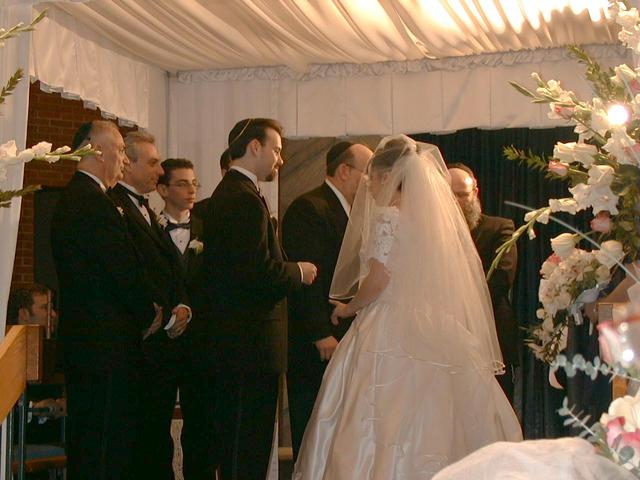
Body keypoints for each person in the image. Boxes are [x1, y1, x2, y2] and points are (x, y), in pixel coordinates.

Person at [293, 135, 522, 479]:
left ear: (388, 177)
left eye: (372, 179)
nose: (369, 187)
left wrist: (349, 308)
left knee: (378, 411)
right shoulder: (432, 222)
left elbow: (378, 280)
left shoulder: (389, 218)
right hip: (432, 322)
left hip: (388, 323)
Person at [191, 117, 318, 479]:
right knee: (245, 447)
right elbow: (254, 274)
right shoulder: (240, 198)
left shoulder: (241, 193)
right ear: (255, 147)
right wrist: (297, 271)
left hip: (246, 349)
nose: (281, 159)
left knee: (250, 446)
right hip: (247, 349)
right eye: (276, 150)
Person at [51, 120, 162, 480]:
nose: (124, 160)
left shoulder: (82, 198)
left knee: (96, 443)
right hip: (104, 347)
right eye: (120, 150)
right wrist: (148, 312)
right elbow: (122, 269)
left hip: (93, 346)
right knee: (103, 448)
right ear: (96, 150)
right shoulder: (91, 202)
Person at [109, 132, 192, 479]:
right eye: (154, 163)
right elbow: (128, 270)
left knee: (157, 438)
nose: (159, 171)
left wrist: (182, 305)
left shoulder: (144, 208)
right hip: (139, 344)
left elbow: (168, 268)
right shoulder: (114, 205)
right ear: (128, 163)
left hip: (161, 348)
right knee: (142, 440)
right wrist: (158, 315)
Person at [282, 141, 372, 459]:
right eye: (367, 172)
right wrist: (320, 332)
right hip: (317, 341)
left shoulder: (356, 212)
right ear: (344, 171)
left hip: (345, 335)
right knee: (314, 424)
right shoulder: (309, 208)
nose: (371, 181)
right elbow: (309, 277)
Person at [156, 157, 212, 478]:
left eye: (194, 183)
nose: (191, 190)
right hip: (162, 341)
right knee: (156, 423)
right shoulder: (151, 227)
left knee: (200, 428)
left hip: (201, 341)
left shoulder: (208, 228)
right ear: (163, 189)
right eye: (182, 183)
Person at [448, 163, 519, 403]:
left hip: (491, 334)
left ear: (475, 193)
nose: (457, 202)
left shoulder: (499, 227)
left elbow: (502, 277)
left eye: (462, 195)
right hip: (445, 338)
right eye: (450, 195)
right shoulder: (429, 233)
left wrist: (460, 303)